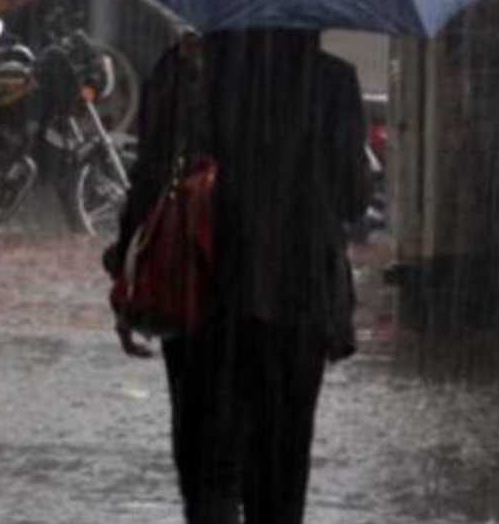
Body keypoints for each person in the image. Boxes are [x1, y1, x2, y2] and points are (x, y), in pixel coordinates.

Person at [108, 29, 371, 524]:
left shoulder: (185, 70)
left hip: (200, 289)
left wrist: (126, 275)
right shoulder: (331, 81)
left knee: (208, 470)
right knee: (281, 472)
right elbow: (354, 196)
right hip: (297, 297)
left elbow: (149, 183)